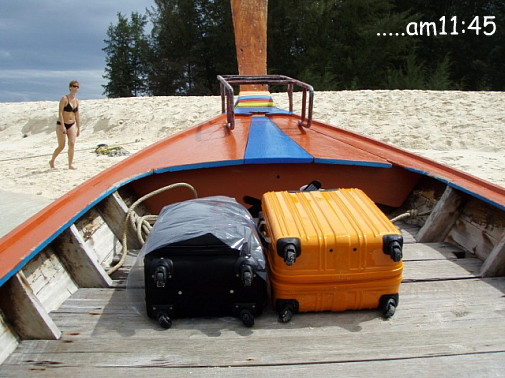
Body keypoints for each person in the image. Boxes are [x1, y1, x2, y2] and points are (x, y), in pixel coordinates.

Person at [49, 80, 81, 169]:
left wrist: (79, 128)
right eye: (74, 86)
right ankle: (52, 160)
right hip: (61, 124)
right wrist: (63, 126)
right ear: (70, 87)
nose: (76, 88)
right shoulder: (64, 98)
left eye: (77, 87)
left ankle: (70, 164)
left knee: (72, 143)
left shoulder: (76, 101)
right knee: (61, 145)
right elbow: (60, 113)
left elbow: (77, 115)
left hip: (71, 124)